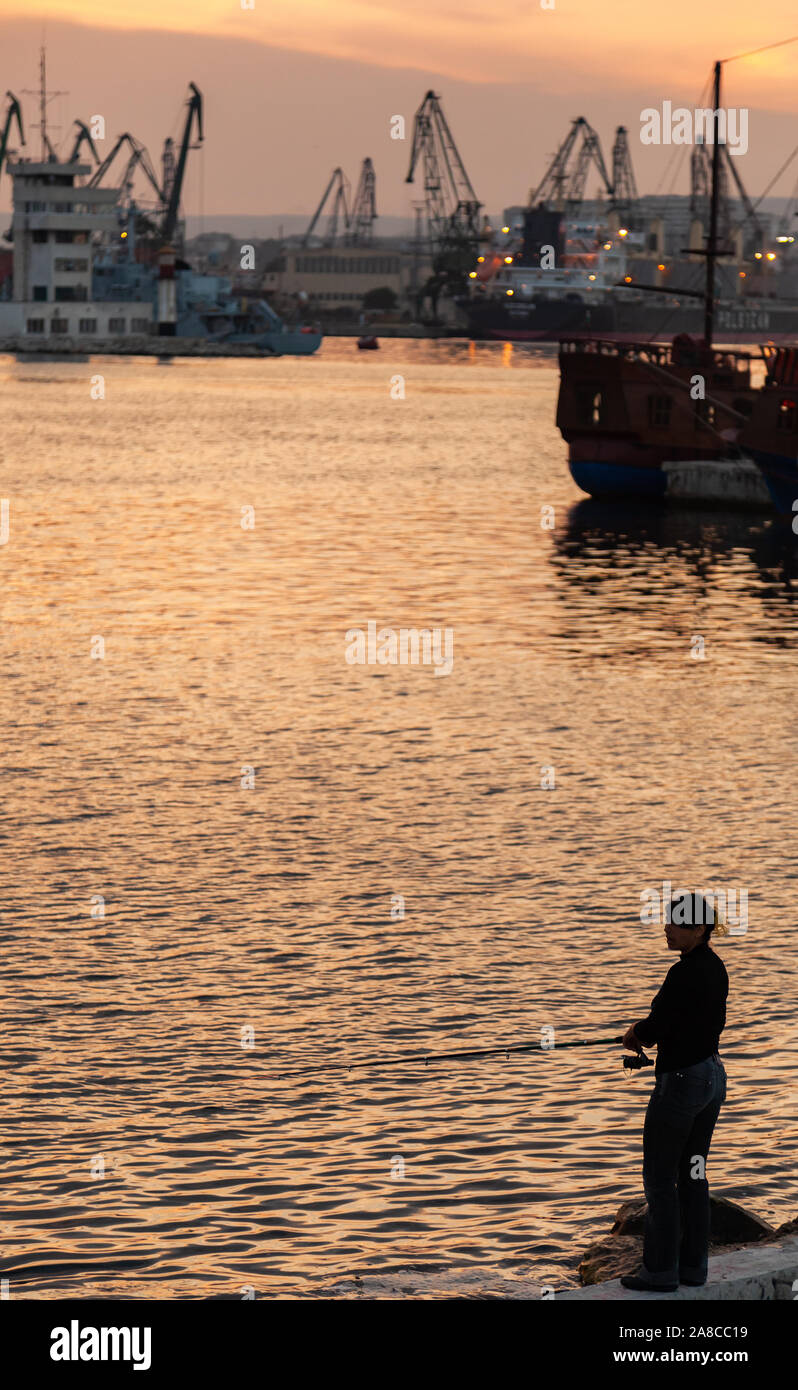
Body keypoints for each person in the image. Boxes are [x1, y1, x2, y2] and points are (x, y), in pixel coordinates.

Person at [620, 890, 729, 1293]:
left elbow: (659, 1023)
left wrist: (635, 1035)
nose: (666, 928)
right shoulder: (716, 968)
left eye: (676, 924)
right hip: (712, 1077)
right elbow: (690, 1022)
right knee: (695, 1174)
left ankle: (660, 1272)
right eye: (667, 920)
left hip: (682, 1083)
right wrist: (649, 1033)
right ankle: (694, 1268)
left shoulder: (682, 972)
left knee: (661, 1179)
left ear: (698, 929)